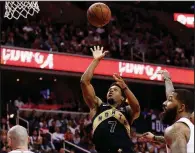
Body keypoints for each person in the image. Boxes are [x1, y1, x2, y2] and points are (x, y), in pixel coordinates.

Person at [80, 46, 140, 153]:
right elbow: (84, 82)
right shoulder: (97, 106)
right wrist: (96, 60)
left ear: (122, 97)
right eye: (109, 90)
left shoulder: (126, 110)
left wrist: (124, 87)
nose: (111, 91)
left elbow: (137, 108)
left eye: (115, 90)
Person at [140, 70, 194, 153]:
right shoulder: (190, 126)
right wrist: (154, 138)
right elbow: (177, 140)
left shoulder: (176, 129)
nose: (164, 103)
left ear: (181, 108)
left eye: (169, 100)